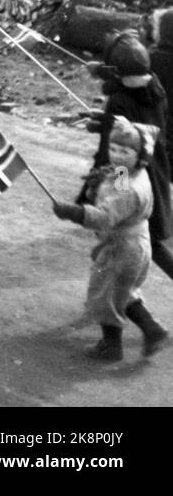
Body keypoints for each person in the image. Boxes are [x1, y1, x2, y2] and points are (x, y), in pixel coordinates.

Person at [54, 116, 167, 361]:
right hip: (136, 244)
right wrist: (102, 182)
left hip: (122, 247)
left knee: (104, 293)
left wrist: (75, 212)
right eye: (113, 149)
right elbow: (115, 187)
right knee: (121, 290)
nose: (116, 155)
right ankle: (152, 329)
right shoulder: (130, 173)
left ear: (140, 154)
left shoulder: (130, 188)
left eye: (124, 151)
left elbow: (106, 215)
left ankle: (111, 346)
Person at [80, 30, 173, 282]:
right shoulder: (155, 88)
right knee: (143, 236)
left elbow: (115, 153)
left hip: (128, 177)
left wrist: (112, 188)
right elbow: (136, 128)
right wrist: (103, 122)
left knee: (129, 233)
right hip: (153, 171)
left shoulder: (120, 100)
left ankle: (118, 298)